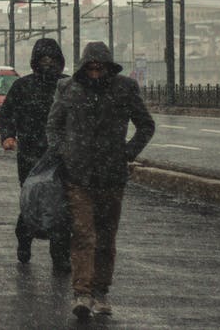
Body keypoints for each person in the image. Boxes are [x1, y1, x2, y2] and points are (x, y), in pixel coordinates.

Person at [47, 41, 154, 319]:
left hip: (111, 175)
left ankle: (101, 292)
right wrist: (65, 152)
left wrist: (127, 152)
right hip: (78, 175)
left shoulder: (125, 88)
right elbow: (53, 126)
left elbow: (146, 124)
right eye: (91, 66)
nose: (95, 70)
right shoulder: (68, 88)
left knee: (106, 237)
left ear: (108, 66)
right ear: (84, 66)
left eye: (100, 66)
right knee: (83, 233)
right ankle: (81, 292)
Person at [0, 38, 71, 269]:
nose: (48, 64)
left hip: (62, 155)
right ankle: (24, 238)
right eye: (43, 60)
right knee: (34, 201)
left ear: (59, 61)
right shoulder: (23, 86)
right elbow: (7, 113)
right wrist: (8, 136)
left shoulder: (68, 86)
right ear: (35, 61)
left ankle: (60, 255)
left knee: (60, 205)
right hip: (30, 154)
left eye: (52, 60)